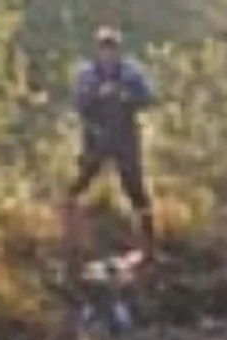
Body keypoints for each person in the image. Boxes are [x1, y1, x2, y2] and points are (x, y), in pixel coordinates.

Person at [64, 26, 157, 262]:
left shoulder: (131, 72)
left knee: (136, 189)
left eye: (112, 49)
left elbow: (148, 99)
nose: (108, 54)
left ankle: (148, 247)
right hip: (95, 138)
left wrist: (126, 95)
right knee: (78, 185)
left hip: (125, 139)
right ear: (97, 51)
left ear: (118, 50)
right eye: (104, 49)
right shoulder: (86, 74)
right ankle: (69, 239)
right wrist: (97, 95)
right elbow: (77, 105)